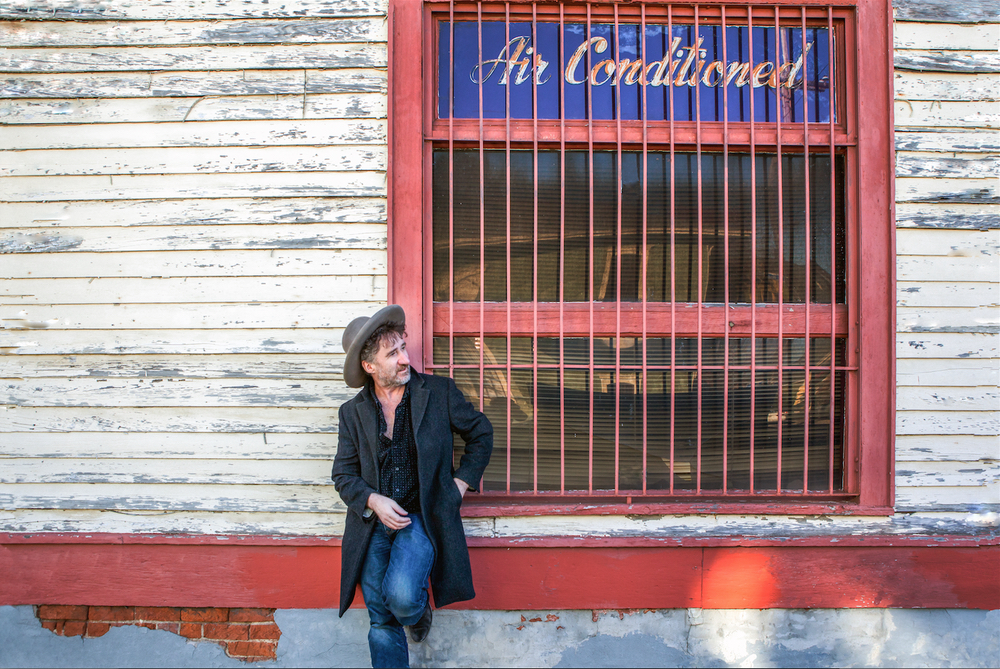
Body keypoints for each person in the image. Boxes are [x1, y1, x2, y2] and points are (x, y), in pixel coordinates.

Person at [332, 304, 493, 668]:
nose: (405, 359)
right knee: (380, 616)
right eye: (393, 354)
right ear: (369, 366)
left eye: (403, 348)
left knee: (402, 600)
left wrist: (459, 485)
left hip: (423, 514)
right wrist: (373, 500)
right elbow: (343, 475)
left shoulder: (438, 392)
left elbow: (481, 433)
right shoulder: (352, 413)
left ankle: (418, 613)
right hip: (373, 525)